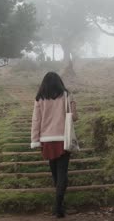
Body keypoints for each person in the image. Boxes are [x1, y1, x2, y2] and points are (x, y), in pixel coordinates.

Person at [30, 72, 78, 218]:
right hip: (63, 138)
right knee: (62, 172)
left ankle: (59, 205)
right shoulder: (66, 95)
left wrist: (35, 140)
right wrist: (73, 104)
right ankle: (58, 206)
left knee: (55, 173)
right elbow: (74, 117)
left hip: (46, 139)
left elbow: (36, 121)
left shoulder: (39, 98)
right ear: (59, 82)